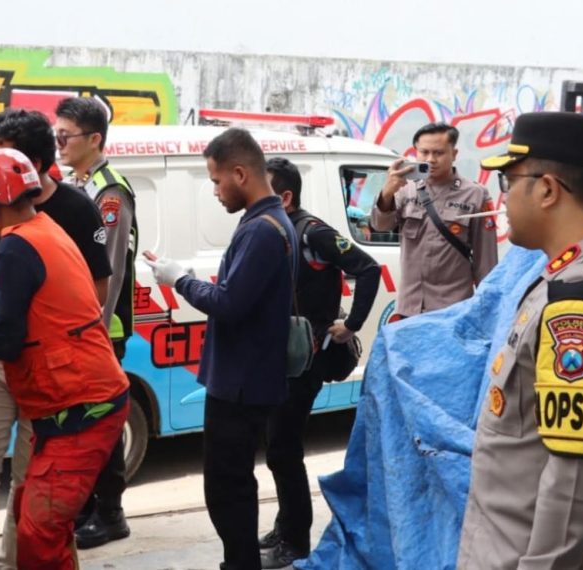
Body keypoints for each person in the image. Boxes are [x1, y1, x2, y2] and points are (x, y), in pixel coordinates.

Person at [457, 112, 583, 568]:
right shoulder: (573, 278)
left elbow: (576, 478)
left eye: (509, 182)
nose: (503, 198)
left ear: (547, 189)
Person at [0, 108, 112, 570]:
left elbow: (90, 294)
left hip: (45, 366)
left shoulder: (45, 225)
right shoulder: (14, 221)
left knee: (34, 493)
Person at [144, 128, 295, 570]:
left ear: (240, 173)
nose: (214, 191)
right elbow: (239, 294)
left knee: (228, 489)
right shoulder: (264, 222)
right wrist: (192, 279)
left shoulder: (263, 230)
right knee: (230, 486)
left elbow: (229, 304)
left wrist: (180, 280)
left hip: (241, 383)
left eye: (216, 180)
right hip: (242, 376)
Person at [259, 157, 381, 568]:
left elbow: (368, 268)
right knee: (277, 447)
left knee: (284, 449)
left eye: (263, 187)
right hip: (280, 357)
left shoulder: (312, 232)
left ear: (285, 196)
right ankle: (285, 527)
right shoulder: (275, 229)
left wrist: (351, 324)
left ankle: (295, 542)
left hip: (306, 359)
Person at [55, 96, 137, 549]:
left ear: (94, 139)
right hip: (78, 328)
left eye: (65, 136)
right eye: (57, 135)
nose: (59, 143)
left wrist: (93, 332)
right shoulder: (76, 184)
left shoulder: (110, 191)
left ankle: (111, 513)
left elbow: (110, 270)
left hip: (102, 331)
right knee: (80, 426)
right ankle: (87, 508)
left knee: (102, 422)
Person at [370, 122, 498, 318]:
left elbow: (486, 262)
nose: (431, 159)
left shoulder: (475, 195)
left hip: (453, 311)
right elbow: (380, 226)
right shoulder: (404, 189)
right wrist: (386, 193)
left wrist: (486, 312)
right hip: (409, 307)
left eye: (438, 153)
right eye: (424, 152)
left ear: (454, 154)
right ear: (416, 152)